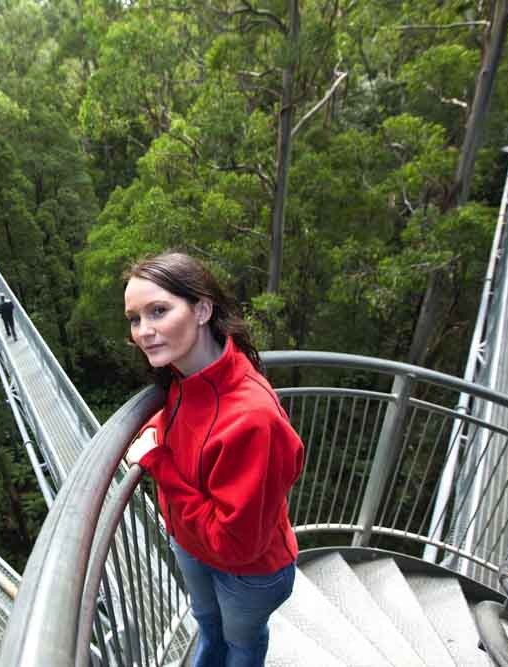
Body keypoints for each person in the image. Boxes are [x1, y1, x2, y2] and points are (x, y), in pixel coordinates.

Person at [122, 252, 304, 667]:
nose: (143, 331)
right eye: (134, 318)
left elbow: (236, 545)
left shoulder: (253, 420)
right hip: (191, 542)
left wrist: (159, 464)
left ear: (203, 309)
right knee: (208, 623)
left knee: (241, 644)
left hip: (248, 572)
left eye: (158, 311)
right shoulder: (184, 377)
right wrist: (156, 431)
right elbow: (186, 423)